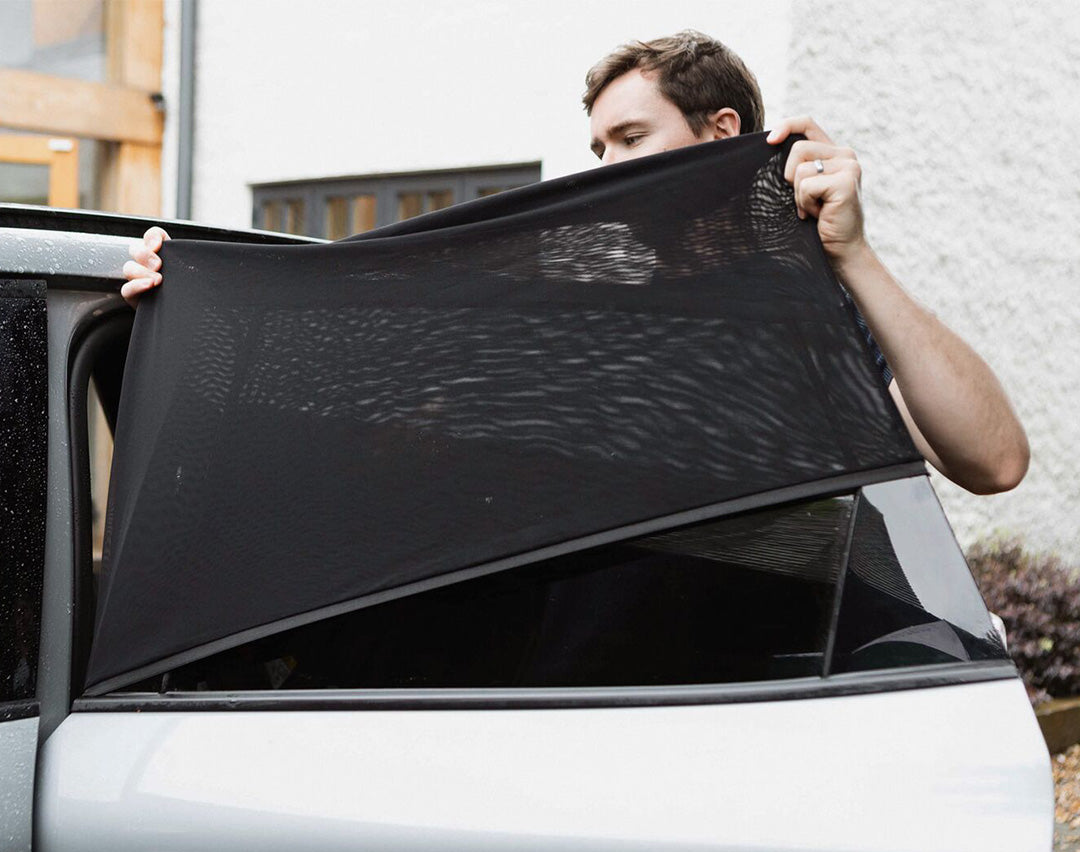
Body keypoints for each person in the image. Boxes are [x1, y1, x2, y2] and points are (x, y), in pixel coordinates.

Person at [123, 29, 1029, 495]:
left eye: (630, 138)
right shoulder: (583, 310)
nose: (604, 173)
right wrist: (196, 297)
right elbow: (368, 417)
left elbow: (993, 463)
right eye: (596, 151)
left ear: (721, 135)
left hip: (788, 698)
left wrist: (855, 257)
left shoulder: (823, 318)